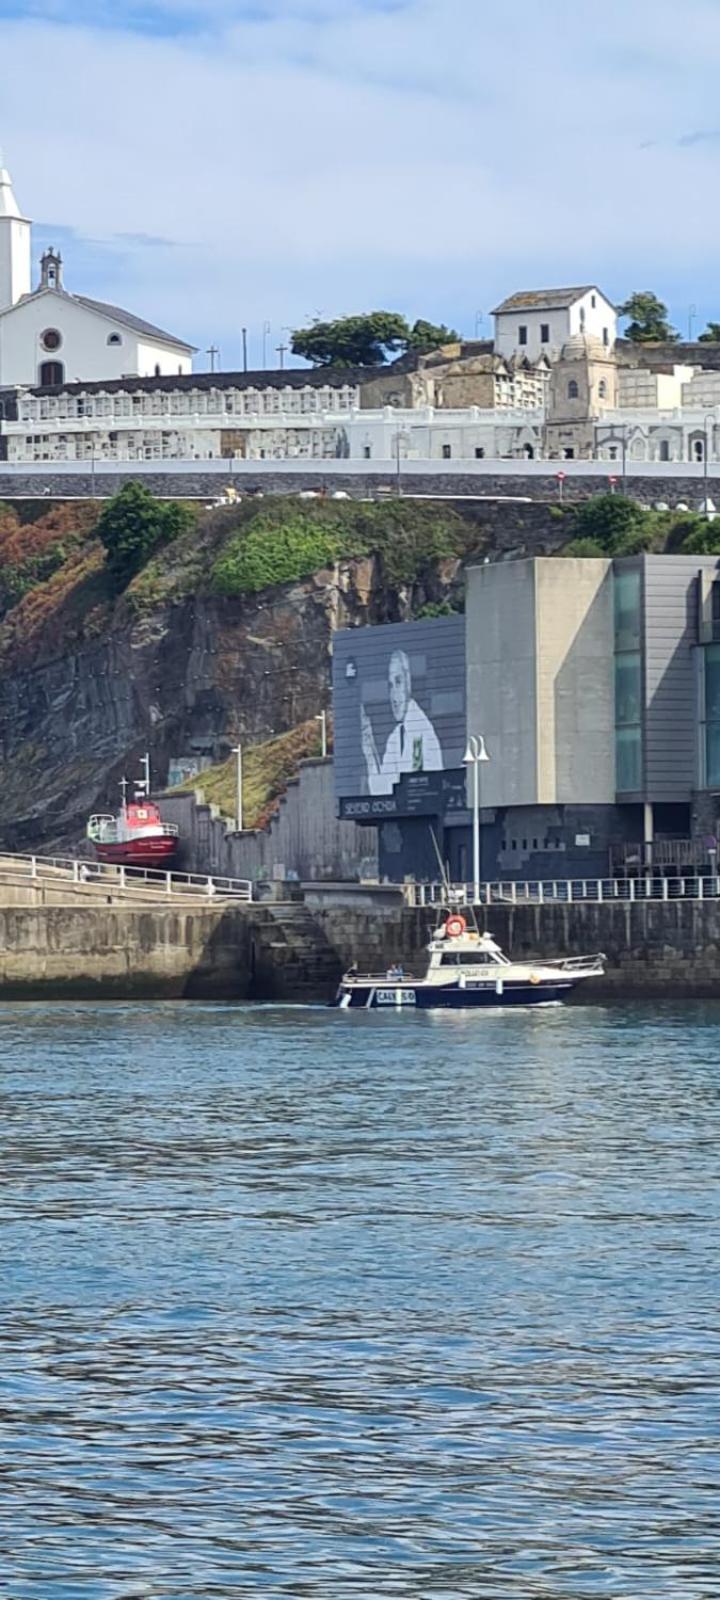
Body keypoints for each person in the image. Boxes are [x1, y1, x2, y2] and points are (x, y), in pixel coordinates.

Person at [361, 649, 443, 796]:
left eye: (398, 682)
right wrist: (370, 752)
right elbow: (382, 791)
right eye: (390, 686)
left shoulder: (421, 731)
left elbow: (417, 788)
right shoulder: (395, 738)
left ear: (408, 684)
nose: (394, 696)